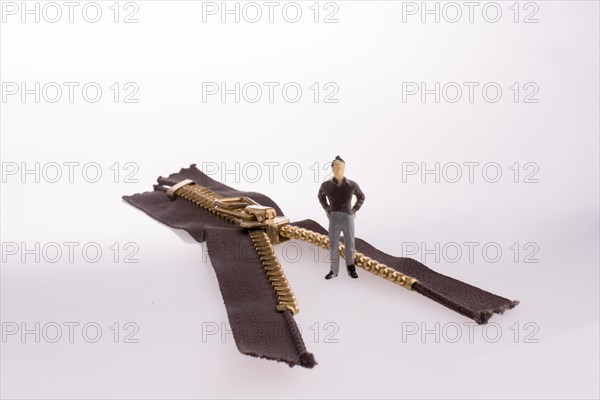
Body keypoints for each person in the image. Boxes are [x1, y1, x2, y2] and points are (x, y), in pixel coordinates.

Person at [317, 155, 365, 279]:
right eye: (336, 166)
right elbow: (320, 197)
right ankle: (333, 270)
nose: (339, 169)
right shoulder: (326, 185)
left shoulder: (352, 185)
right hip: (333, 217)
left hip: (348, 217)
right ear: (332, 168)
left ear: (345, 168)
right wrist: (327, 208)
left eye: (341, 166)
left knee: (350, 243)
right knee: (333, 244)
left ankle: (351, 268)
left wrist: (354, 210)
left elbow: (361, 197)